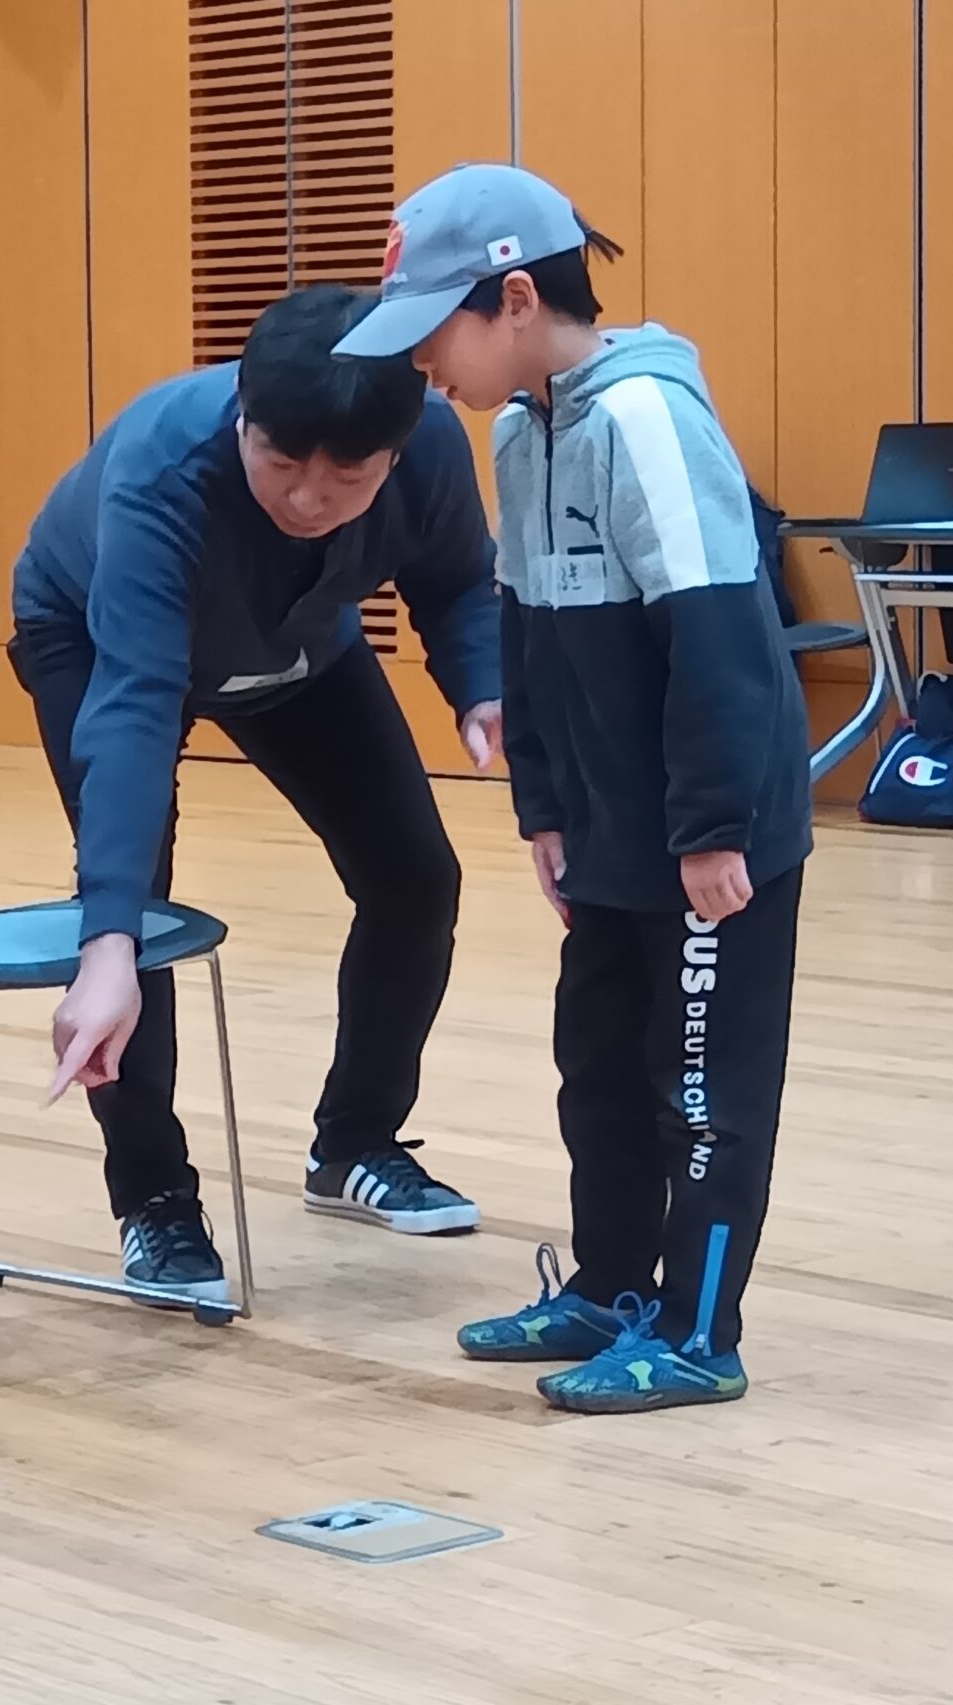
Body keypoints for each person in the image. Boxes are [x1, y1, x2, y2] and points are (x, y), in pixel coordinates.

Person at [339, 162, 811, 1413]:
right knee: (597, 1070)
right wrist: (542, 808)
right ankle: (610, 1289)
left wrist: (711, 829)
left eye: (433, 331)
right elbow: (530, 637)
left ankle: (697, 1334)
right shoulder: (518, 431)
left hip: (710, 828)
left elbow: (718, 636)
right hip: (605, 824)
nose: (421, 364)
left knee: (698, 1089)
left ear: (510, 300)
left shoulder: (645, 419)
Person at [10, 283, 504, 1308]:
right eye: (281, 464)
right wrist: (105, 940)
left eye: (347, 477)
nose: (309, 499)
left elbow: (457, 581)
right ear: (244, 417)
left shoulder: (432, 446)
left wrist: (482, 686)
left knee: (416, 878)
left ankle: (355, 1141)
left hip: (295, 644)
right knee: (137, 922)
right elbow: (135, 702)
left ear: (394, 454)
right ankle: (154, 1197)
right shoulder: (163, 470)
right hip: (96, 639)